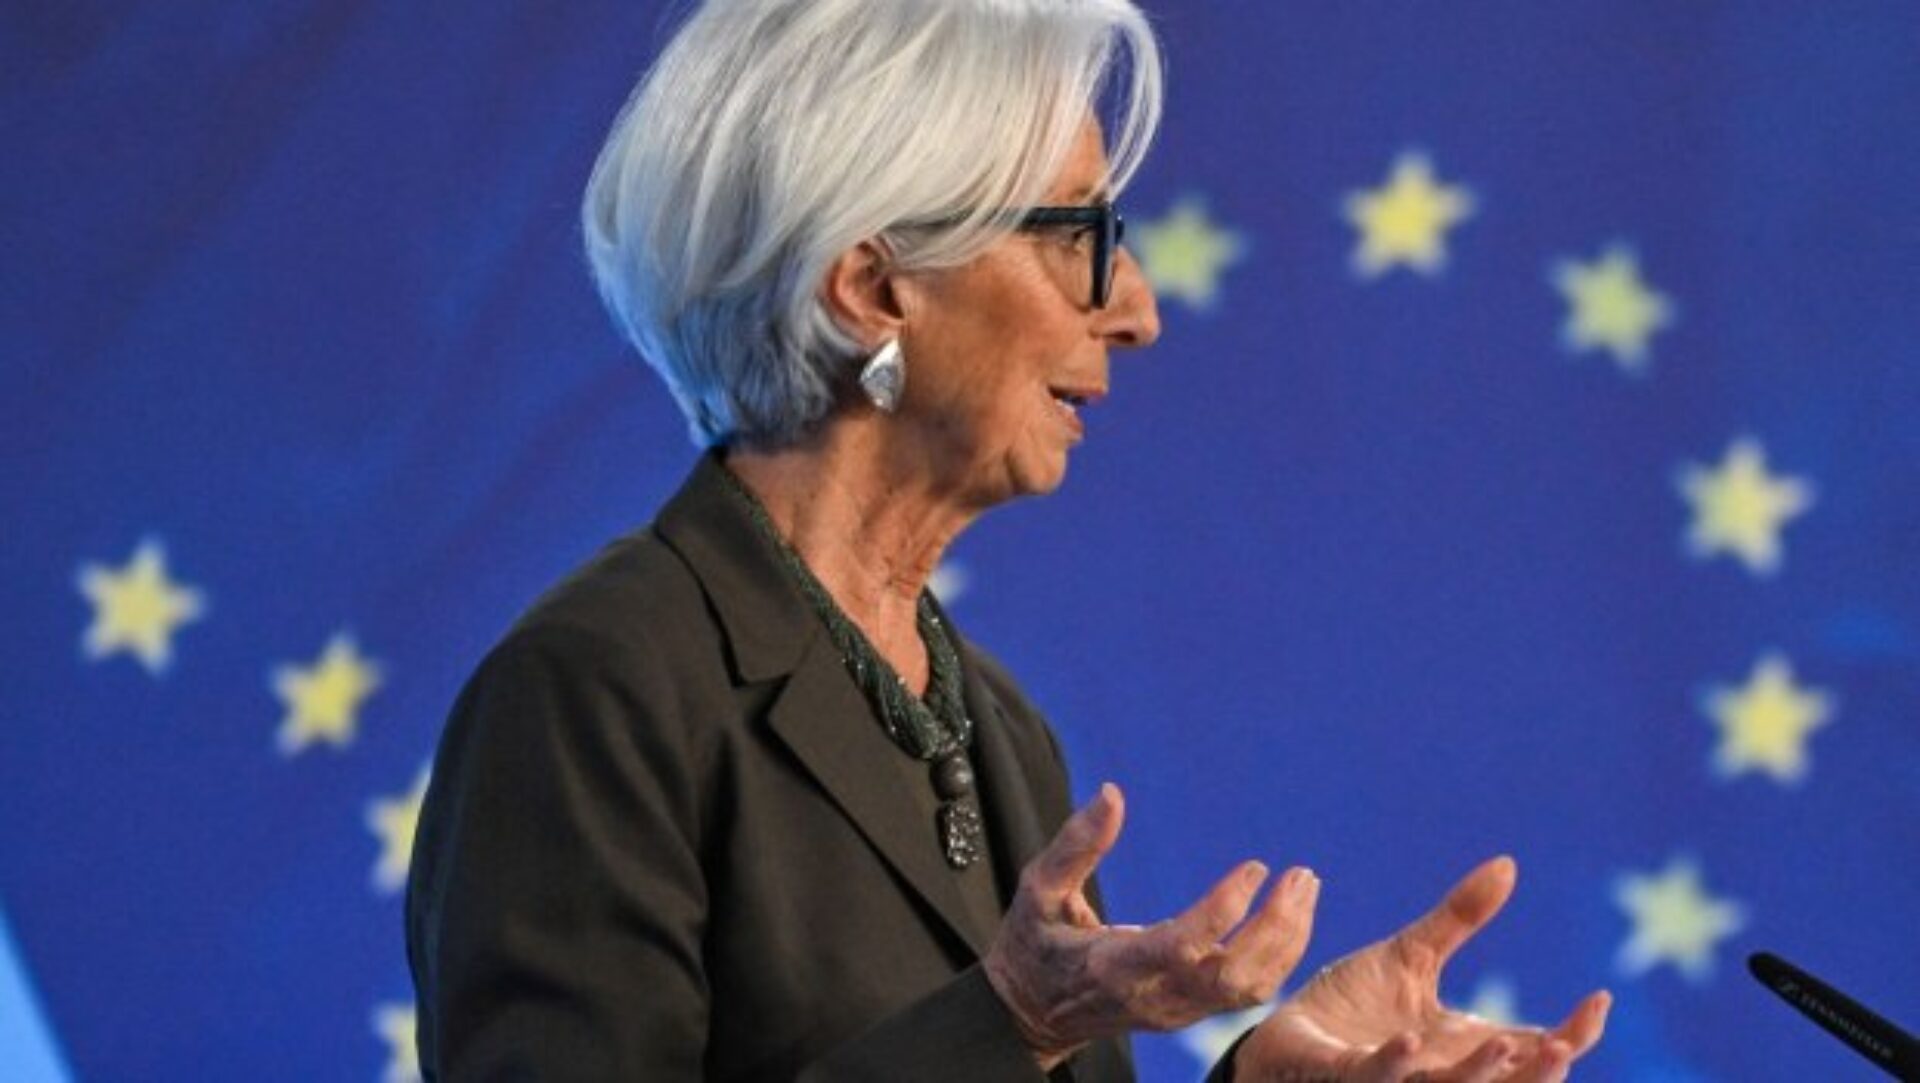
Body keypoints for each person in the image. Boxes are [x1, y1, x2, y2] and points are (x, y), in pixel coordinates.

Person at [404, 1, 1613, 1079]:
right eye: (1076, 234)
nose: (1135, 309)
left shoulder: (998, 727)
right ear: (873, 286)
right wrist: (1013, 1023)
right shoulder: (595, 693)